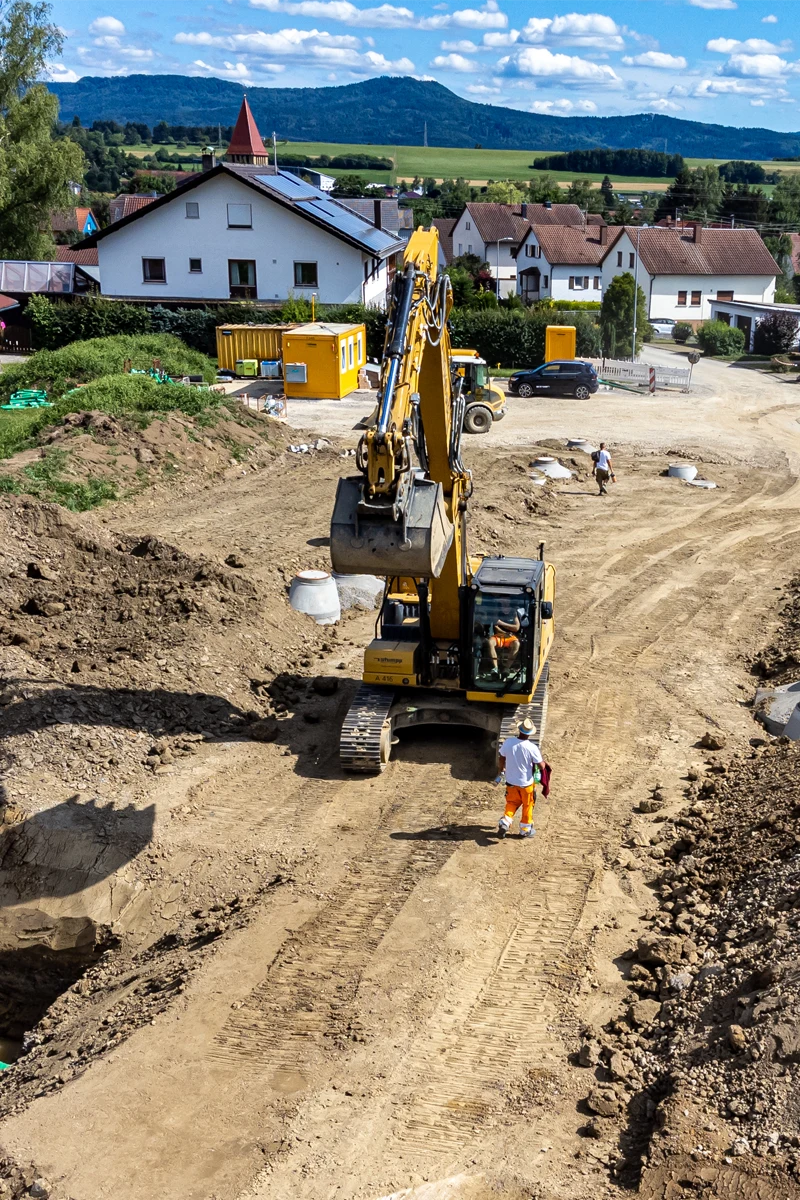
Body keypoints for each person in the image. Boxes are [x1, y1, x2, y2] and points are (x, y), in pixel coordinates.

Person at [495, 717, 543, 839]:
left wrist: (501, 769)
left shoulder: (508, 742)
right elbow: (541, 765)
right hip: (526, 784)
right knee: (528, 805)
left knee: (512, 803)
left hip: (511, 782)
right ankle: (525, 830)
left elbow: (501, 757)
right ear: (530, 733)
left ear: (519, 730)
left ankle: (505, 822)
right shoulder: (532, 747)